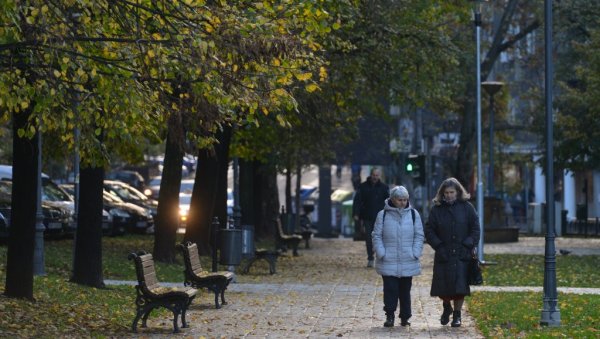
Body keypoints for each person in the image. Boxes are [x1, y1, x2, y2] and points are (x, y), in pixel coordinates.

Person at [425, 177, 480, 328]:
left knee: (460, 288)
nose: (449, 195)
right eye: (446, 192)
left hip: (462, 254)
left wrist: (468, 245)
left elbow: (475, 228)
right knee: (443, 288)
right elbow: (429, 230)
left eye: (452, 192)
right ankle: (446, 306)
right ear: (442, 193)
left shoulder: (467, 207)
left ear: (457, 192)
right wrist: (439, 246)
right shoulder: (437, 209)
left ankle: (457, 314)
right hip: (444, 253)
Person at [372, 186, 424, 328]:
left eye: (405, 200)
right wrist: (381, 252)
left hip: (408, 258)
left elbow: (419, 235)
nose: (402, 202)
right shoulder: (382, 215)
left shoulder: (414, 214)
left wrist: (416, 252)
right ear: (393, 199)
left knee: (405, 290)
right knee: (390, 289)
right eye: (400, 200)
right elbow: (376, 235)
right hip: (388, 259)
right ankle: (390, 315)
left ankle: (405, 317)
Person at [352, 167, 389, 267]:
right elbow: (357, 201)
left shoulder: (384, 188)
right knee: (368, 238)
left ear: (379, 176)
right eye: (374, 175)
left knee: (380, 238)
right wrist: (356, 213)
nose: (375, 177)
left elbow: (389, 202)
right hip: (367, 216)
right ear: (371, 175)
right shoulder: (363, 187)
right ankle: (370, 257)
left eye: (377, 175)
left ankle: (379, 256)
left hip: (380, 218)